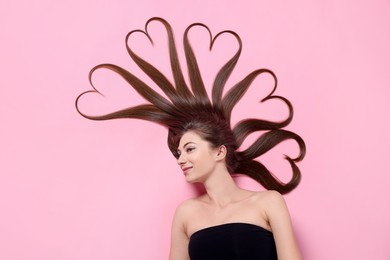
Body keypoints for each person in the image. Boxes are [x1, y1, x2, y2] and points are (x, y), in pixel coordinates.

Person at [76, 17, 305, 260]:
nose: (181, 158)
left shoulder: (268, 203)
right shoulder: (186, 213)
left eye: (190, 149)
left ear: (219, 152)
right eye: (179, 152)